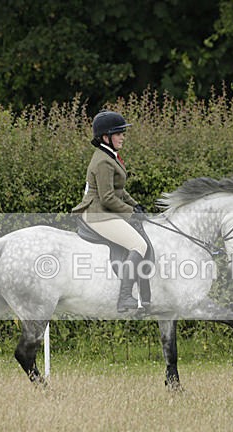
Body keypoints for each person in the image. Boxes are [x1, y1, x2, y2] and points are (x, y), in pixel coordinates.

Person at [72, 110, 150, 312]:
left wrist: (135, 205)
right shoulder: (103, 161)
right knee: (139, 244)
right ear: (105, 137)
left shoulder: (110, 156)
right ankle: (125, 297)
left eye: (123, 132)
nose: (123, 136)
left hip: (105, 210)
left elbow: (119, 191)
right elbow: (107, 198)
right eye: (119, 133)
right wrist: (130, 213)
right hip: (98, 213)